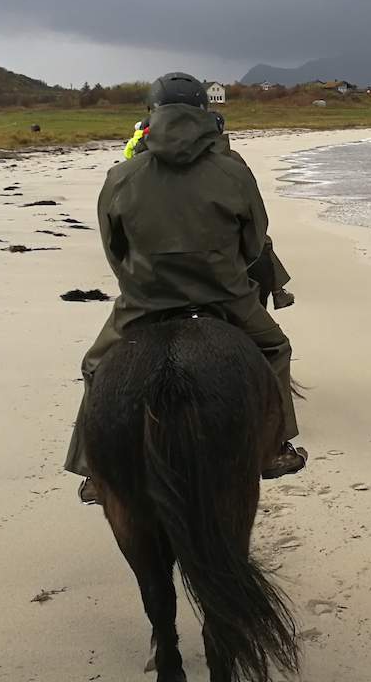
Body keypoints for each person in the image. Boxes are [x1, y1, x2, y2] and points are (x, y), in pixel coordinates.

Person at [65, 72, 306, 503]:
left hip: (144, 302)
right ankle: (272, 449)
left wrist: (141, 285)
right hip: (225, 297)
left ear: (151, 115)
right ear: (205, 113)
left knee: (96, 366)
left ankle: (94, 471)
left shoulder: (121, 175)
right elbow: (255, 242)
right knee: (275, 349)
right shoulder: (233, 171)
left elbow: (113, 251)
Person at [124, 111, 296, 309]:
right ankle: (277, 293)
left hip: (154, 265)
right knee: (271, 337)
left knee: (118, 333)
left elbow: (114, 240)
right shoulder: (229, 159)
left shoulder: (130, 168)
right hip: (215, 253)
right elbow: (255, 217)